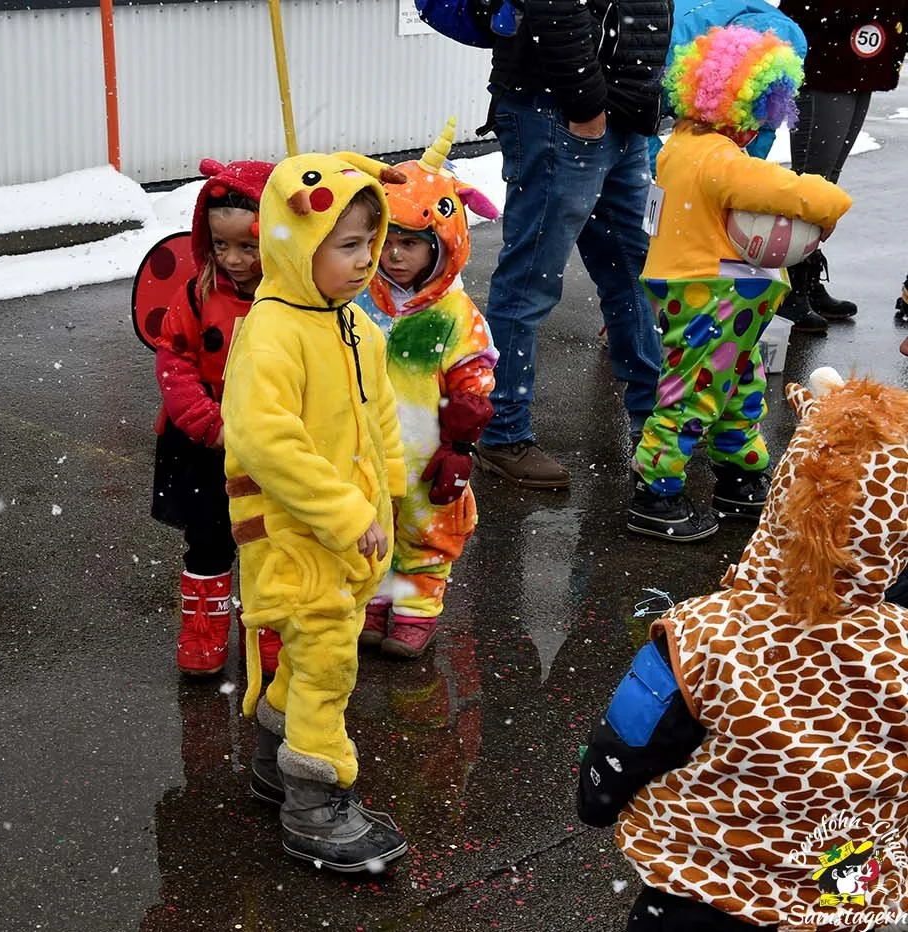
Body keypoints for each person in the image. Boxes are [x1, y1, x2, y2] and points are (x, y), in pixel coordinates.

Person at [580, 367, 908, 930]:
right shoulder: (899, 644)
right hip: (840, 891)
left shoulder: (706, 632)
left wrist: (599, 793)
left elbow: (631, 738)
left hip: (705, 886)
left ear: (785, 496)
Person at [222, 151, 409, 871]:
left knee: (311, 654)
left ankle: (276, 759)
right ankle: (314, 801)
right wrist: (339, 511)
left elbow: (378, 411)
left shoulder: (353, 325)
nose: (368, 261)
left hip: (350, 535)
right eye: (348, 245)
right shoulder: (273, 332)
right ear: (297, 244)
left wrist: (389, 487)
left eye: (372, 242)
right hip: (295, 536)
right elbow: (265, 440)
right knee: (328, 662)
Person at [628, 26, 852, 543]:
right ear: (742, 110)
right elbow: (783, 189)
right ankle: (654, 493)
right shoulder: (718, 159)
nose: (758, 129)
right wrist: (831, 204)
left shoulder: (679, 147)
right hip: (713, 292)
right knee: (692, 395)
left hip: (710, 292)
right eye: (759, 115)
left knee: (736, 387)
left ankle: (741, 476)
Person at [475, 0, 670, 491]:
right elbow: (556, 6)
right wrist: (585, 105)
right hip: (563, 110)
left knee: (635, 272)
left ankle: (655, 422)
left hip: (619, 113)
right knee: (531, 281)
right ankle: (502, 434)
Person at [352, 122, 499, 658]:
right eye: (385, 239)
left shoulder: (454, 315)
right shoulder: (361, 298)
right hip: (369, 448)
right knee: (372, 529)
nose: (393, 255)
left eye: (410, 243)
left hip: (425, 453)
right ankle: (374, 601)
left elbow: (473, 387)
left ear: (444, 244)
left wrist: (458, 448)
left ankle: (414, 611)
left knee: (424, 535)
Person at [149, 158, 283, 677]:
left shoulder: (293, 301)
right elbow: (174, 361)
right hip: (206, 446)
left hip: (273, 445)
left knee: (271, 541)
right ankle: (203, 631)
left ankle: (270, 629)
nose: (232, 259)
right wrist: (209, 422)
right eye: (220, 245)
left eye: (247, 246)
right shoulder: (198, 292)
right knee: (209, 540)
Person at [777, 0, 908, 333]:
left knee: (826, 186)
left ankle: (805, 278)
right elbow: (802, 10)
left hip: (859, 71)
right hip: (825, 70)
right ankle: (789, 286)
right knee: (810, 185)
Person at [647, 0, 807, 174]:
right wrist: (667, 171)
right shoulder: (669, 62)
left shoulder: (788, 52)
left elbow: (765, 125)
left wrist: (743, 173)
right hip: (642, 55)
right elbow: (636, 123)